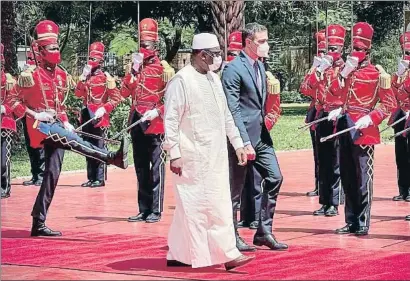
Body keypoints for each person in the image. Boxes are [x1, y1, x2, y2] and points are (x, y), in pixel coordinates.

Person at [10, 20, 129, 237]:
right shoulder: (30, 75)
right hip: (38, 125)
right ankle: (111, 157)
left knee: (53, 174)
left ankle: (38, 222)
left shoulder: (62, 75)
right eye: (52, 48)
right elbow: (13, 102)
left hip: (55, 126)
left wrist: (65, 122)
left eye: (57, 47)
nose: (56, 52)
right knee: (72, 142)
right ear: (40, 50)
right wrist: (35, 114)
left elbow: (61, 106)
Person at [164, 32, 254, 271]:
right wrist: (174, 153)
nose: (219, 59)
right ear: (202, 55)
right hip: (191, 157)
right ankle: (228, 254)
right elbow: (170, 120)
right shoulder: (181, 81)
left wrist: (238, 144)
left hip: (215, 156)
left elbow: (225, 116)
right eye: (214, 54)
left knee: (191, 206)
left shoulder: (214, 79)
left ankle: (177, 253)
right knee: (213, 207)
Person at [326, 22, 396, 236]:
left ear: (368, 51)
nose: (356, 53)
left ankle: (363, 220)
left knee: (363, 177)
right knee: (347, 175)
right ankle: (350, 220)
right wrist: (342, 77)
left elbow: (389, 104)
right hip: (345, 126)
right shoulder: (345, 70)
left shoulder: (378, 74)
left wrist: (371, 117)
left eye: (360, 49)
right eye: (353, 48)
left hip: (364, 130)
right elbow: (332, 94)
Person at [222, 23, 288, 251]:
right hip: (241, 139)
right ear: (248, 43)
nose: (266, 45)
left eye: (266, 40)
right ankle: (232, 235)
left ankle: (264, 231)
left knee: (275, 177)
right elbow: (233, 109)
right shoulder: (233, 69)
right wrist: (243, 142)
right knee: (235, 190)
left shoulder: (259, 66)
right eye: (261, 41)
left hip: (260, 136)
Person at [121, 18, 174, 223]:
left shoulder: (164, 69)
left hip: (154, 123)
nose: (142, 49)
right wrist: (132, 72)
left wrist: (158, 111)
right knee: (141, 166)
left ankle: (156, 209)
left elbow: (172, 99)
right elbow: (125, 92)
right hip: (136, 120)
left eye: (146, 45)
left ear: (155, 46)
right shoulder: (136, 66)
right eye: (140, 45)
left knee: (156, 167)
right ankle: (143, 208)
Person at [304, 24, 346, 216]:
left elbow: (344, 93)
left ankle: (335, 202)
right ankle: (325, 201)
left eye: (333, 49)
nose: (330, 52)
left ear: (341, 50)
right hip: (322, 115)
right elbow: (306, 88)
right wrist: (316, 69)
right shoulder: (323, 69)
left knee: (335, 161)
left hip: (337, 116)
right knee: (323, 161)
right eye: (327, 49)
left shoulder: (346, 69)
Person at [75, 42, 123, 188]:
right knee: (87, 147)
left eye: (94, 59)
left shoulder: (106, 78)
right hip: (86, 115)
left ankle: (100, 178)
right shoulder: (86, 77)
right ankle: (91, 177)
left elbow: (116, 98)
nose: (91, 62)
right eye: (89, 58)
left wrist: (104, 108)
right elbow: (78, 94)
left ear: (101, 62)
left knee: (99, 148)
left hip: (100, 117)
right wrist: (82, 79)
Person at [300, 29, 326, 197]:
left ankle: (334, 191)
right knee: (318, 154)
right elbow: (304, 89)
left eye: (325, 51)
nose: (322, 55)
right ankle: (319, 186)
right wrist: (314, 69)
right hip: (315, 113)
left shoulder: (340, 69)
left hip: (330, 113)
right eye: (320, 52)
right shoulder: (315, 70)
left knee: (333, 157)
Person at [389, 32, 410, 202]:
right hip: (401, 116)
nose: (406, 56)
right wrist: (398, 74)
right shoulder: (399, 74)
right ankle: (403, 189)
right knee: (401, 155)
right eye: (404, 52)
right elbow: (393, 94)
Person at [20, 47, 45, 187]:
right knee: (31, 146)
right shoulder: (26, 75)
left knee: (40, 146)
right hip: (28, 113)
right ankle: (34, 174)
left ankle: (41, 175)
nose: (30, 61)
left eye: (32, 59)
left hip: (40, 113)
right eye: (28, 58)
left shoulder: (41, 75)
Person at [1, 43, 17, 199]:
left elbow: (14, 100)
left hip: (4, 124)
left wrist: (4, 108)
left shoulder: (9, 80)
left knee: (3, 161)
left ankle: (4, 187)